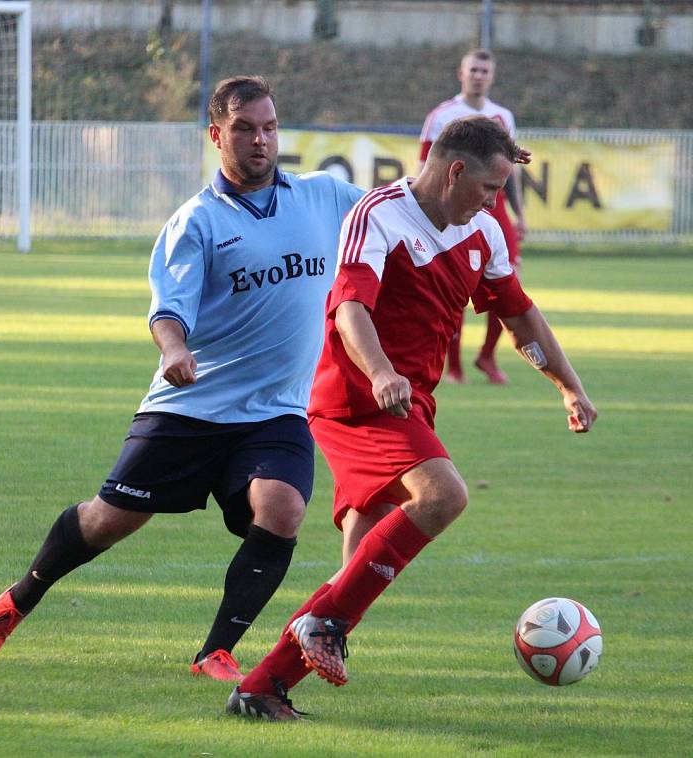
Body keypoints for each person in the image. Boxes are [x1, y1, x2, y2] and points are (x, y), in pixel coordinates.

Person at [0, 76, 364, 682]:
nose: (261, 140)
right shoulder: (196, 222)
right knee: (110, 519)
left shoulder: (325, 196)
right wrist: (174, 348)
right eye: (245, 129)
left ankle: (215, 652)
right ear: (216, 135)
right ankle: (21, 596)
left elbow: (400, 206)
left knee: (281, 510)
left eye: (270, 127)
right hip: (190, 404)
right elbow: (167, 309)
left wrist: (470, 166)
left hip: (276, 410)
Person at [226, 115, 597, 720]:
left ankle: (262, 688)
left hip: (408, 404)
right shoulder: (379, 215)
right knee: (443, 494)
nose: (493, 201)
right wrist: (378, 372)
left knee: (353, 578)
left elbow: (520, 316)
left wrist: (568, 386)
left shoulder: (483, 232)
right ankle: (318, 629)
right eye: (487, 187)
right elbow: (349, 307)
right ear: (454, 172)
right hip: (356, 401)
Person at [419, 48, 527, 385]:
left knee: (508, 280)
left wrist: (520, 213)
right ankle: (453, 367)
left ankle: (487, 356)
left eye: (485, 71)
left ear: (492, 76)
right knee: (456, 283)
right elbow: (425, 166)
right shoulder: (442, 115)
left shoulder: (502, 117)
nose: (479, 75)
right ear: (461, 74)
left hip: (497, 211)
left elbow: (510, 172)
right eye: (474, 70)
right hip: (455, 207)